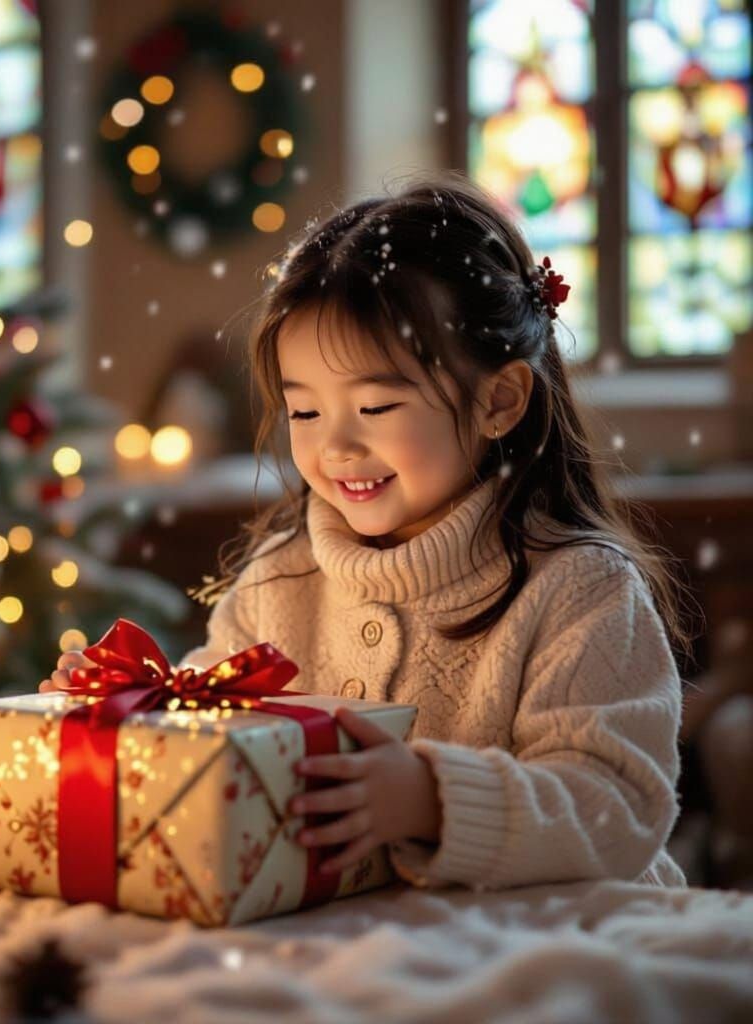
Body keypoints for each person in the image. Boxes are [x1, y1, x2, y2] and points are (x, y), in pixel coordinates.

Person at [42, 171, 693, 891]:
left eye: (377, 408)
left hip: (566, 946)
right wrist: (131, 709)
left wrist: (432, 800)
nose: (336, 448)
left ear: (500, 400)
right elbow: (220, 728)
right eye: (306, 413)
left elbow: (622, 809)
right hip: (365, 952)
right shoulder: (278, 579)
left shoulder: (579, 590)